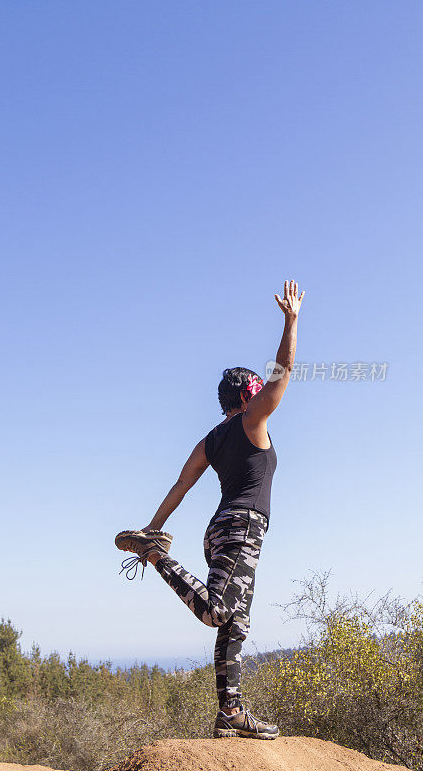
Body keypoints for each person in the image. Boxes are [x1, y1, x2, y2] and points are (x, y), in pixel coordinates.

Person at [115, 279, 304, 740]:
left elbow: (181, 485)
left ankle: (231, 713)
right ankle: (160, 557)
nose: (262, 394)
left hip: (218, 529)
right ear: (246, 396)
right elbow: (282, 373)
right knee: (218, 613)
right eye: (255, 390)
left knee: (236, 622)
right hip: (241, 528)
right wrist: (291, 321)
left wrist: (153, 526)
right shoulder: (253, 418)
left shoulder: (211, 439)